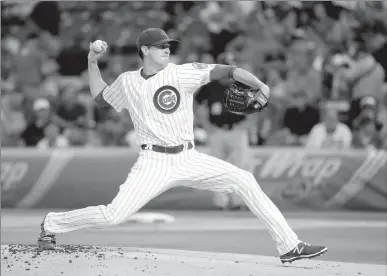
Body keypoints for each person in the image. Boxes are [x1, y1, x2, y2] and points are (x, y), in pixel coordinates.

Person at [37, 28, 327, 264]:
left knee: (244, 180)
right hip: (153, 163)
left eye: (168, 45)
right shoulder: (128, 81)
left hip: (188, 157)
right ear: (145, 51)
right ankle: (52, 224)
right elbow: (100, 97)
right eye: (160, 45)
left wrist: (260, 84)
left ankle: (290, 246)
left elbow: (228, 70)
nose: (167, 49)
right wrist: (91, 62)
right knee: (114, 216)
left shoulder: (181, 72)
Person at [195, 60, 255, 210]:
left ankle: (238, 202)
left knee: (240, 167)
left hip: (237, 129)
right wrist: (206, 124)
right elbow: (196, 103)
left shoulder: (242, 84)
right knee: (216, 167)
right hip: (217, 130)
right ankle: (221, 202)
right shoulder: (210, 86)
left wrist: (247, 123)